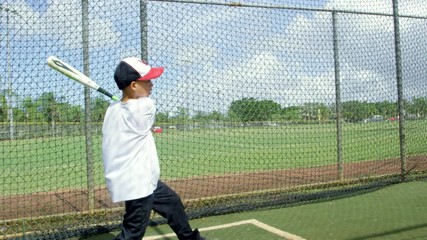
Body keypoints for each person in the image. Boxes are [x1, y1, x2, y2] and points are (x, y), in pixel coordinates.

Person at [102, 57, 205, 240]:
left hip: (142, 178)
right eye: (147, 80)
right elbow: (138, 113)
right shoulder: (145, 106)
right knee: (132, 233)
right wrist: (131, 106)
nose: (151, 84)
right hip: (137, 184)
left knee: (172, 203)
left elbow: (129, 115)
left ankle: (190, 238)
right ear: (133, 85)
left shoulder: (113, 109)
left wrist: (127, 103)